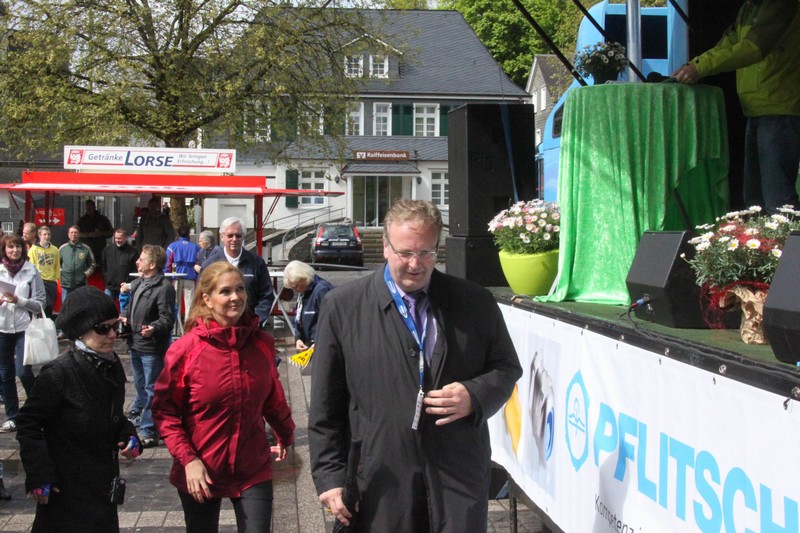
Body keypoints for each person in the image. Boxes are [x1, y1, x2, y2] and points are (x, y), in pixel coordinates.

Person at [308, 200, 522, 531]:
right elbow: (325, 403)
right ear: (385, 246)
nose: (415, 264)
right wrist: (329, 476)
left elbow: (506, 367)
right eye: (405, 252)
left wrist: (474, 395)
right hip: (380, 480)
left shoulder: (475, 302)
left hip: (457, 476)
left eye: (426, 253)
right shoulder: (343, 306)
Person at [152, 261, 295, 533]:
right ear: (207, 299)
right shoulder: (186, 349)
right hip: (201, 467)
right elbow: (164, 412)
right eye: (225, 291)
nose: (235, 297)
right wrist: (188, 459)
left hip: (252, 466)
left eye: (240, 289)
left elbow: (273, 398)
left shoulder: (261, 344)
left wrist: (285, 433)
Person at [16, 286, 142, 532]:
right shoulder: (58, 373)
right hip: (66, 488)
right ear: (81, 331)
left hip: (102, 485)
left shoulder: (111, 364)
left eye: (116, 326)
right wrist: (39, 472)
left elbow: (113, 415)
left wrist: (128, 435)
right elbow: (29, 423)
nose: (112, 335)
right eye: (102, 328)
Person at [672, 0, 800, 214]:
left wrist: (700, 67)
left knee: (778, 200)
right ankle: (764, 237)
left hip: (780, 108)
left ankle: (790, 237)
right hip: (756, 108)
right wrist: (693, 65)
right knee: (755, 202)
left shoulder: (781, 4)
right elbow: (728, 44)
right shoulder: (749, 8)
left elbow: (753, 48)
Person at [120, 245, 175, 448]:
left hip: (152, 347)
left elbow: (167, 318)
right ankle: (152, 424)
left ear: (152, 264)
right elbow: (130, 306)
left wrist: (154, 328)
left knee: (152, 389)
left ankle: (149, 429)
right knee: (141, 387)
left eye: (141, 259)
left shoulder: (164, 287)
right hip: (136, 343)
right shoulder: (139, 283)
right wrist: (124, 316)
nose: (137, 262)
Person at [0, 234, 47, 433]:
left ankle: (38, 411)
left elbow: (41, 303)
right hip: (2, 327)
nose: (15, 250)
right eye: (11, 247)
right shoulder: (0, 270)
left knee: (23, 372)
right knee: (5, 374)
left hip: (24, 327)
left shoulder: (31, 270)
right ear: (4, 250)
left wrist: (18, 300)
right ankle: (13, 416)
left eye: (18, 247)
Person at [201, 217, 275, 328]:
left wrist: (257, 320)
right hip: (218, 327)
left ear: (243, 237)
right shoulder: (210, 264)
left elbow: (266, 294)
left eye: (238, 235)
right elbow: (201, 297)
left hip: (249, 327)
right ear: (222, 237)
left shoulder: (256, 262)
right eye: (230, 235)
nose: (234, 239)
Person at [282, 260, 333, 352]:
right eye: (293, 288)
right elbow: (298, 317)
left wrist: (319, 342)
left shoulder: (322, 290)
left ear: (305, 278)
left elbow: (332, 321)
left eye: (297, 286)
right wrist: (298, 339)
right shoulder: (304, 291)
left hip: (323, 346)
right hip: (310, 344)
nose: (296, 290)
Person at [165, 225, 201, 322]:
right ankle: (187, 327)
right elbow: (199, 262)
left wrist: (169, 275)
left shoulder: (172, 246)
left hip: (176, 277)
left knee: (174, 304)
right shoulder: (195, 247)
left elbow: (169, 263)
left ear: (178, 234)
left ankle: (174, 326)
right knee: (190, 305)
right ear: (188, 234)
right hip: (190, 278)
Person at [102, 228, 139, 309]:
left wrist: (129, 281)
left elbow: (136, 270)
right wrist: (107, 278)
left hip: (125, 286)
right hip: (110, 286)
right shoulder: (107, 250)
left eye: (120, 238)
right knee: (105, 308)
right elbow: (103, 266)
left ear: (125, 238)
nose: (117, 240)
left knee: (125, 310)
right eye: (116, 238)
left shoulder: (133, 252)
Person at [28, 226, 60, 317]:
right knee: (41, 306)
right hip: (40, 281)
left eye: (48, 234)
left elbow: (57, 265)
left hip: (51, 282)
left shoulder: (55, 249)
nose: (47, 237)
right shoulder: (33, 250)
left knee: (50, 306)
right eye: (44, 234)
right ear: (39, 236)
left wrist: (56, 279)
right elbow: (31, 266)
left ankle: (48, 323)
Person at [59, 225, 96, 303]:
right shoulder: (63, 248)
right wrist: (62, 272)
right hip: (66, 284)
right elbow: (56, 264)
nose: (73, 234)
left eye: (75, 233)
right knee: (66, 305)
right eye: (71, 232)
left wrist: (85, 274)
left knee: (81, 305)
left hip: (81, 284)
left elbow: (92, 264)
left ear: (79, 234)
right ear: (68, 235)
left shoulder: (86, 249)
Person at [76, 199, 114, 266]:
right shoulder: (82, 221)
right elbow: (77, 234)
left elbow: (111, 232)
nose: (88, 210)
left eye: (90, 208)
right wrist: (88, 235)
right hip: (86, 249)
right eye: (87, 209)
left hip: (101, 249)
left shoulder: (103, 219)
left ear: (94, 207)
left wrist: (101, 233)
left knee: (101, 266)